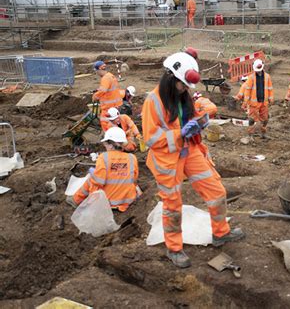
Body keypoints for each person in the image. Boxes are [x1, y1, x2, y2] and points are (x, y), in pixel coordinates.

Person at [142, 51, 244, 268]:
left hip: (190, 150)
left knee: (216, 191)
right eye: (183, 84)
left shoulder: (183, 94)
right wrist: (179, 133)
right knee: (172, 204)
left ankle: (221, 233)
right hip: (167, 159)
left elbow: (194, 114)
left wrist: (200, 121)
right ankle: (174, 249)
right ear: (171, 78)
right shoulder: (153, 101)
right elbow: (151, 139)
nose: (186, 88)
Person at [70, 127, 139, 212]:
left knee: (91, 179)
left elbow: (98, 181)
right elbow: (134, 178)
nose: (104, 146)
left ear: (110, 145)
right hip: (128, 201)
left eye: (105, 144)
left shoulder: (104, 157)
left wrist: (92, 173)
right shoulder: (132, 158)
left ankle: (76, 199)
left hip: (107, 202)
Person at [243, 59, 274, 139]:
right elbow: (247, 90)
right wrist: (245, 102)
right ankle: (250, 135)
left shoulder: (267, 77)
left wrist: (271, 98)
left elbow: (270, 88)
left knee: (265, 119)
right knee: (252, 119)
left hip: (264, 102)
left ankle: (263, 134)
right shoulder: (251, 78)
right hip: (254, 103)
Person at [92, 61, 125, 132]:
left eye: (96, 71)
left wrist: (95, 96)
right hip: (116, 104)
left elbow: (103, 91)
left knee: (105, 123)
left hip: (109, 106)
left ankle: (110, 138)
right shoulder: (111, 76)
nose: (96, 73)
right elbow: (108, 89)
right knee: (117, 123)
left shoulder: (105, 78)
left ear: (99, 70)